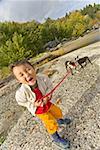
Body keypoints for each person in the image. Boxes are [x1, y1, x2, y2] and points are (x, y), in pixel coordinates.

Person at [10, 60, 71, 149]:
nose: (27, 75)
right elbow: (21, 102)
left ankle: (59, 121)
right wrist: (33, 104)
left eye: (28, 70)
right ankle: (56, 139)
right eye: (21, 75)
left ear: (33, 68)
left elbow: (50, 86)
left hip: (48, 103)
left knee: (57, 112)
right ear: (18, 80)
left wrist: (48, 94)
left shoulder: (43, 78)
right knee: (50, 123)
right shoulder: (21, 92)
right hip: (39, 110)